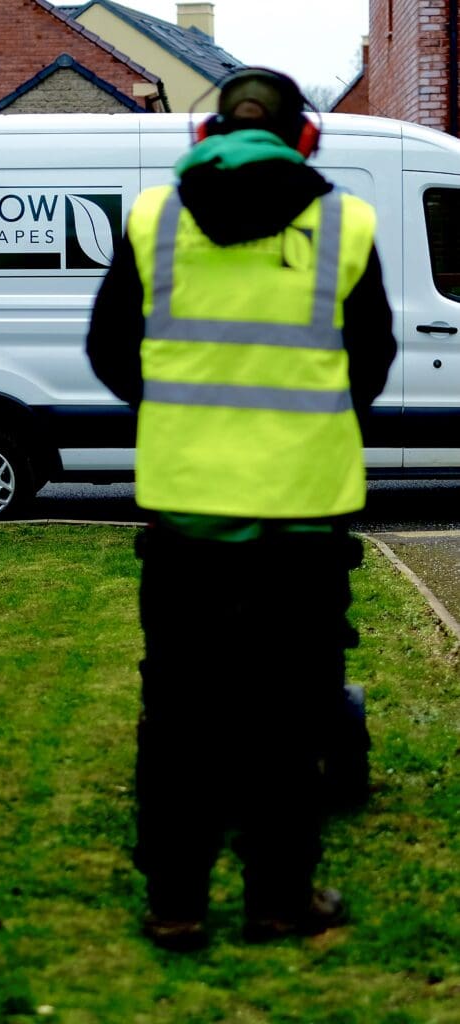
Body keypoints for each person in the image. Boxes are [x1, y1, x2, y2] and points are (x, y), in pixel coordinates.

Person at [86, 67, 397, 951]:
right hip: (301, 523)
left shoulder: (151, 222)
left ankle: (176, 904)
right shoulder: (344, 223)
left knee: (180, 715)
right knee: (290, 716)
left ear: (204, 138)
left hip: (185, 521)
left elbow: (109, 351)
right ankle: (277, 902)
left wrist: (183, 412)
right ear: (306, 138)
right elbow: (368, 363)